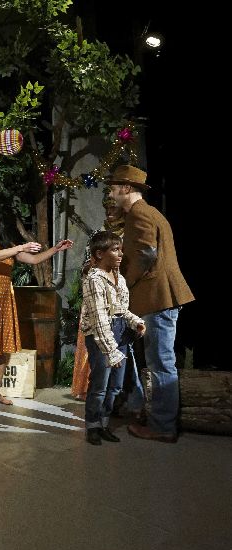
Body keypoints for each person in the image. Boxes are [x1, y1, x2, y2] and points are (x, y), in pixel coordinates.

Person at [106, 165, 194, 443]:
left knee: (161, 362)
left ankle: (163, 426)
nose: (111, 194)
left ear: (126, 188)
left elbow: (146, 253)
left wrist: (123, 284)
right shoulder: (147, 212)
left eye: (113, 188)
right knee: (156, 360)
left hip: (158, 297)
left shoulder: (139, 213)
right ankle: (147, 411)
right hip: (157, 298)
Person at [0, 209, 72, 409]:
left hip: (4, 301)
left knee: (2, 352)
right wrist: (20, 247)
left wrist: (55, 249)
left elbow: (34, 260)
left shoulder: (8, 246)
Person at [80, 231, 145, 445]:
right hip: (102, 335)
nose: (120, 254)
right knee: (100, 384)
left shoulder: (119, 278)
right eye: (115, 250)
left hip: (120, 331)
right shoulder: (94, 280)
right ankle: (93, 426)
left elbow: (121, 309)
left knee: (115, 385)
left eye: (120, 249)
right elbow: (99, 319)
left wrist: (135, 321)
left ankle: (104, 423)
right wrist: (110, 350)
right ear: (100, 254)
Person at [71, 198, 127, 401]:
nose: (110, 212)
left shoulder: (128, 233)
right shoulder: (98, 234)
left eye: (114, 208)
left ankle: (114, 398)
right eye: (107, 208)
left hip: (119, 299)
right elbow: (87, 264)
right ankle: (92, 393)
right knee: (96, 344)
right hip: (99, 297)